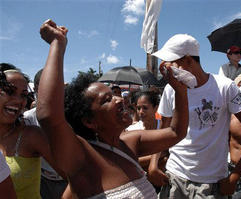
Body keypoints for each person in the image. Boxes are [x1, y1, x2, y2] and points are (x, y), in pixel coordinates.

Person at [37, 19, 189, 198]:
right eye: (106, 100)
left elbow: (175, 132)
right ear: (89, 121)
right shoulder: (81, 156)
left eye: (114, 94)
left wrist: (180, 91)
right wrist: (57, 43)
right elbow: (48, 116)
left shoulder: (129, 142)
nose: (119, 99)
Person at [148, 33, 241, 198]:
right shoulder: (171, 89)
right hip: (174, 177)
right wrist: (153, 164)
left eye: (171, 62)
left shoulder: (225, 87)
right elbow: (163, 129)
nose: (166, 67)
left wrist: (235, 176)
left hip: (211, 184)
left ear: (188, 60)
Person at [0, 65, 62, 199]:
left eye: (23, 95)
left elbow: (75, 177)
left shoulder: (32, 135)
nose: (18, 100)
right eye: (10, 91)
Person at [23, 68, 67, 199]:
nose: (52, 91)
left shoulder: (73, 114)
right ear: (36, 90)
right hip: (43, 180)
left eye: (57, 86)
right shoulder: (27, 119)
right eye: (46, 87)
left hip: (69, 180)